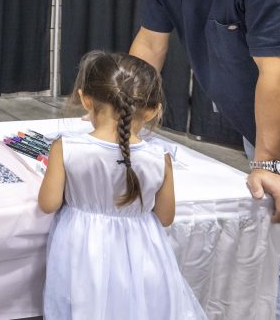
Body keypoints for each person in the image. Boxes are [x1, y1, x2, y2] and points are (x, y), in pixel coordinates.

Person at [127, 0, 280, 223]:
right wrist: (124, 116)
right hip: (258, 122)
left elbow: (276, 73)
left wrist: (268, 162)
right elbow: (150, 43)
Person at [39, 51, 206, 320]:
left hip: (81, 249)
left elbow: (48, 204)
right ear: (152, 111)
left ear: (85, 99)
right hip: (143, 253)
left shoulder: (65, 147)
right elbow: (165, 217)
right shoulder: (160, 157)